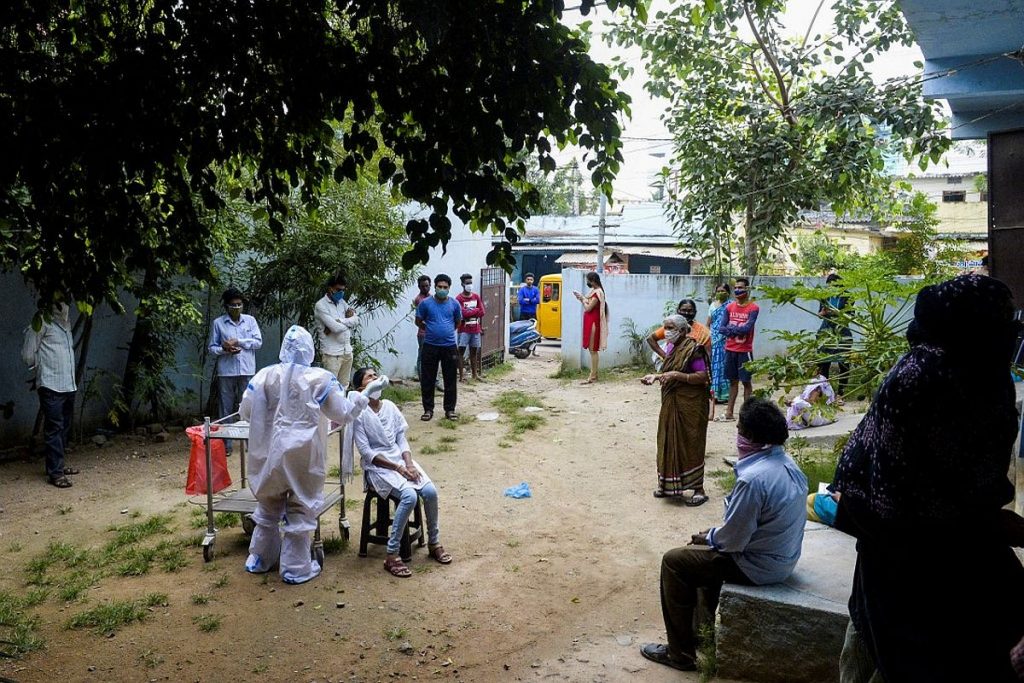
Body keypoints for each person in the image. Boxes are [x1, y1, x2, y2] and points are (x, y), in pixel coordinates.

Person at [832, 274, 1024, 683]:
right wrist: (984, 524)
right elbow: (912, 493)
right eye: (1002, 321)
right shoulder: (929, 376)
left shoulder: (982, 372)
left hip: (932, 540)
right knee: (894, 646)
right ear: (973, 325)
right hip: (903, 540)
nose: (1012, 331)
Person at [640, 397, 807, 672]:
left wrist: (710, 537)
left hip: (757, 566)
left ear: (751, 436)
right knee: (698, 556)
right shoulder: (788, 465)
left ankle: (680, 653)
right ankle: (701, 634)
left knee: (674, 561)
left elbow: (731, 542)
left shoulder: (753, 479)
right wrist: (713, 536)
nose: (737, 434)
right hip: (782, 558)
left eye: (740, 429)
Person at [239, 326, 374, 584]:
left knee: (267, 507)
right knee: (300, 510)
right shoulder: (320, 379)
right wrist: (362, 397)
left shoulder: (263, 376)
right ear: (310, 350)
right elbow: (342, 413)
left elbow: (246, 411)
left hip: (268, 455)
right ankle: (295, 568)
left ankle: (260, 559)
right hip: (303, 457)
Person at [349, 367, 452, 578]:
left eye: (376, 375)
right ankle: (392, 554)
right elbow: (367, 453)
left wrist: (409, 464)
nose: (376, 379)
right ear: (361, 388)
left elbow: (401, 439)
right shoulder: (358, 414)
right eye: (370, 377)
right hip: (378, 468)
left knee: (430, 492)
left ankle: (434, 543)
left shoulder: (390, 406)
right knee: (409, 496)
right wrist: (398, 468)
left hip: (401, 460)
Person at [640, 314, 710, 505]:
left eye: (670, 328)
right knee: (667, 440)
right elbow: (669, 372)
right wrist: (655, 376)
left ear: (682, 330)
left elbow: (702, 376)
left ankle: (698, 489)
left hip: (691, 404)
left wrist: (677, 376)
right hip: (671, 401)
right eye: (666, 327)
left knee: (691, 442)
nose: (667, 332)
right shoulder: (671, 348)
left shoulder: (694, 349)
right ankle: (668, 485)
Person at [21, 302, 79, 488]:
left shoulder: (65, 324)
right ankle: (56, 474)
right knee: (54, 427)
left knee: (64, 427)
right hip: (51, 384)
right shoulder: (41, 322)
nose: (64, 306)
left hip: (68, 384)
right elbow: (28, 354)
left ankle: (57, 466)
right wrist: (42, 368)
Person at [208, 287, 263, 453]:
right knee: (225, 408)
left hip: (247, 370)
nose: (237, 308)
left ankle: (250, 443)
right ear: (226, 306)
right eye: (233, 305)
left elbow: (258, 342)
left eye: (239, 304)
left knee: (248, 406)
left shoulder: (250, 321)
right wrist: (224, 349)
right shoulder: (218, 323)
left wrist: (238, 341)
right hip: (226, 371)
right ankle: (227, 445)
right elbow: (212, 348)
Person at [415, 274, 462, 421]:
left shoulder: (454, 304)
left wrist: (445, 331)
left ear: (449, 288)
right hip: (430, 346)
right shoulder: (425, 304)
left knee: (450, 379)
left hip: (449, 346)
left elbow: (457, 322)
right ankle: (428, 410)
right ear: (435, 287)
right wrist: (430, 329)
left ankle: (450, 410)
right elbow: (418, 321)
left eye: (445, 287)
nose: (442, 289)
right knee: (428, 379)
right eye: (439, 287)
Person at [716, 277, 759, 421]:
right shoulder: (729, 307)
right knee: (732, 381)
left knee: (746, 382)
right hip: (730, 349)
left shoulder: (753, 308)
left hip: (745, 350)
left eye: (740, 287)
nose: (737, 290)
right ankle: (729, 412)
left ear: (747, 289)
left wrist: (731, 329)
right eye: (735, 288)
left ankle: (746, 415)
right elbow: (721, 328)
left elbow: (747, 328)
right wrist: (736, 330)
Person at [314, 273, 359, 387]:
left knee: (344, 386)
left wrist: (340, 321)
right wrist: (347, 322)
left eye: (343, 290)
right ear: (330, 288)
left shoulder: (342, 303)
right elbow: (335, 328)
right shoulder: (321, 305)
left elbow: (356, 320)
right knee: (330, 387)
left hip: (347, 351)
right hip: (332, 354)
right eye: (338, 289)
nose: (341, 292)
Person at [816, 273, 851, 402]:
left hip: (842, 333)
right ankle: (826, 394)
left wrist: (837, 313)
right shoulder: (824, 296)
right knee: (824, 363)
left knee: (844, 364)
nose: (831, 288)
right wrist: (823, 313)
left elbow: (851, 315)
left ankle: (841, 394)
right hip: (826, 332)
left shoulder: (848, 297)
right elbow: (820, 314)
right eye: (829, 286)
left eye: (834, 286)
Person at [647, 299, 712, 367]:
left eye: (690, 311)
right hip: (671, 365)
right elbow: (650, 339)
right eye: (683, 310)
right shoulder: (671, 326)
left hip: (694, 366)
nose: (686, 313)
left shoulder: (703, 331)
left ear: (695, 312)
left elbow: (708, 353)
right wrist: (665, 356)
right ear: (678, 311)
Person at [573, 271, 608, 384]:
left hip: (593, 323)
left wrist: (583, 300)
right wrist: (582, 298)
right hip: (590, 322)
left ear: (593, 281)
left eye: (588, 280)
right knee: (592, 350)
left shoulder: (597, 293)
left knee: (593, 350)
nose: (587, 282)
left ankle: (593, 376)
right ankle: (594, 375)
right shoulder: (594, 292)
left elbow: (588, 308)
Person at [456, 273, 486, 382]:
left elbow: (482, 312)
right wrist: (475, 311)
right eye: (467, 283)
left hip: (475, 329)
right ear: (462, 284)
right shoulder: (459, 298)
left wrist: (470, 312)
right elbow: (463, 314)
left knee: (474, 352)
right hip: (463, 329)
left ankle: (475, 375)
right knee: (461, 352)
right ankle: (461, 376)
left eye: (470, 283)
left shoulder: (476, 297)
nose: (469, 285)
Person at [706, 283, 732, 404]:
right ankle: (714, 393)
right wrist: (708, 336)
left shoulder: (731, 305)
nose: (720, 293)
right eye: (718, 291)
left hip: (726, 339)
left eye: (723, 291)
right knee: (714, 366)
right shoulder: (712, 306)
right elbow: (708, 323)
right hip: (714, 339)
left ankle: (725, 394)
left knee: (724, 366)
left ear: (728, 293)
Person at [412, 275, 432, 381]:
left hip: (432, 332)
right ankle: (422, 378)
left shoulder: (432, 298)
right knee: (422, 356)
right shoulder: (419, 300)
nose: (425, 288)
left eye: (427, 286)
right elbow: (420, 319)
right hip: (423, 333)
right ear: (419, 287)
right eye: (423, 286)